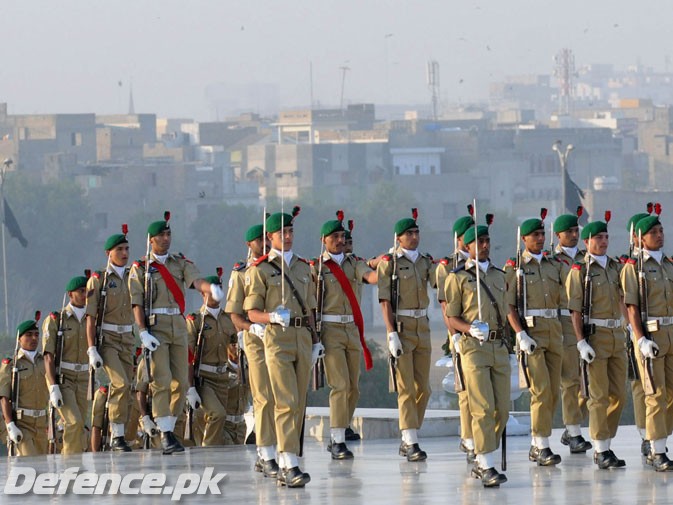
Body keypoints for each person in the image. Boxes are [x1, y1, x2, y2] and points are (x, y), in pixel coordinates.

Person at [129, 212, 224, 454]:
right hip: (156, 326)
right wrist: (142, 331)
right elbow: (136, 302)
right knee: (160, 380)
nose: (166, 239)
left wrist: (210, 288)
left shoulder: (179, 263)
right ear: (151, 240)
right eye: (161, 235)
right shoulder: (141, 268)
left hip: (178, 327)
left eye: (168, 234)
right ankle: (166, 432)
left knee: (180, 382)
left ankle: (168, 426)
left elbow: (195, 281)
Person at [243, 209, 322, 487]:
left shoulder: (303, 267)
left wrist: (315, 340)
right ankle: (289, 462)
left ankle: (289, 456)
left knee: (299, 403)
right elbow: (251, 312)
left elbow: (310, 307)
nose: (287, 237)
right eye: (281, 233)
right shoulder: (260, 270)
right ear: (270, 237)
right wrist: (270, 317)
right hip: (277, 338)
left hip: (301, 336)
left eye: (290, 232)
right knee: (285, 400)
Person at [446, 223, 509, 487]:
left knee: (502, 409)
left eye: (486, 240)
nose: (484, 245)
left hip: (498, 346)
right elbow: (451, 318)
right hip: (473, 348)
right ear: (467, 246)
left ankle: (484, 452)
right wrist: (469, 328)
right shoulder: (457, 278)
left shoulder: (499, 275)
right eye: (478, 241)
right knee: (482, 408)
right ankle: (485, 463)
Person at [505, 216, 567, 466]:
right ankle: (541, 444)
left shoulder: (554, 265)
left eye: (542, 235)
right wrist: (519, 333)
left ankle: (537, 440)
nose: (540, 239)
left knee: (553, 392)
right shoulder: (515, 267)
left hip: (554, 329)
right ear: (524, 239)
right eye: (535, 236)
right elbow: (508, 304)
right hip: (531, 332)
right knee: (540, 389)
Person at [314, 213, 377, 459]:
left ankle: (342, 427)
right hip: (329, 331)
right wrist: (313, 338)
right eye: (335, 237)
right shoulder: (316, 268)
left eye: (342, 236)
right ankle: (337, 438)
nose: (340, 241)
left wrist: (384, 267)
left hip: (351, 329)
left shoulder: (354, 263)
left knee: (353, 388)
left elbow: (370, 276)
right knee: (339, 385)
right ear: (324, 240)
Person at [566, 218, 627, 469]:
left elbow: (623, 298)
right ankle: (602, 449)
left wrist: (631, 327)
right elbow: (575, 310)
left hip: (616, 337)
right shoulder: (580, 270)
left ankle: (605, 441)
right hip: (595, 337)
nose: (603, 242)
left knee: (619, 395)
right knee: (598, 396)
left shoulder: (614, 267)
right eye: (598, 238)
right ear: (587, 241)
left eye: (605, 237)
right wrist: (581, 341)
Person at [377, 210, 437, 461]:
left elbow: (439, 283)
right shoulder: (389, 263)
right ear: (398, 238)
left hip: (422, 325)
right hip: (401, 327)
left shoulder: (425, 261)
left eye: (416, 232)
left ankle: (410, 431)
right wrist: (391, 332)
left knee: (424, 388)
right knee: (406, 388)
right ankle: (410, 438)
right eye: (408, 234)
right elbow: (384, 300)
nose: (414, 237)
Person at [225, 224, 279, 476]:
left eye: (267, 240)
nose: (265, 245)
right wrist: (251, 327)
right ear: (249, 245)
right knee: (262, 396)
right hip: (255, 340)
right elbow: (234, 315)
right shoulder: (241, 273)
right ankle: (263, 451)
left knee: (281, 396)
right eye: (259, 241)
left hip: (280, 340)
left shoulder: (279, 267)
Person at [621, 214, 673, 471]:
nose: (659, 235)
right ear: (640, 238)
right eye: (653, 232)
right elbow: (631, 307)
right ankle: (657, 449)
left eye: (661, 231)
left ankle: (658, 438)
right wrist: (640, 339)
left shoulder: (669, 264)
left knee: (671, 395)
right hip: (651, 336)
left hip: (671, 335)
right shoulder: (634, 267)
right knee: (655, 394)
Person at [85, 227, 136, 451]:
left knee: (128, 387)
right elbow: (90, 317)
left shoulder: (134, 277)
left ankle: (120, 433)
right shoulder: (99, 280)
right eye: (119, 249)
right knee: (120, 383)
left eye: (126, 249)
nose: (124, 253)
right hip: (108, 340)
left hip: (127, 338)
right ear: (108, 253)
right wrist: (91, 349)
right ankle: (116, 436)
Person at [436, 214, 475, 462]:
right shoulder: (446, 266)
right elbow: (445, 305)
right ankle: (468, 437)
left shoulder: (481, 263)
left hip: (480, 331)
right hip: (459, 330)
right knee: (464, 388)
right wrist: (455, 336)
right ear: (459, 239)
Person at [552, 213, 591, 454]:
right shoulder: (552, 261)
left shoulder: (587, 258)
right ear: (558, 235)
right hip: (565, 321)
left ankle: (572, 425)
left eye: (576, 231)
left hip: (588, 320)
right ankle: (574, 431)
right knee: (570, 380)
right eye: (569, 232)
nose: (575, 235)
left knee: (589, 380)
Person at [187, 272, 239, 446]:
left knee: (213, 421)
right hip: (203, 379)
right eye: (210, 291)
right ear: (203, 293)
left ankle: (207, 457)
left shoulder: (228, 320)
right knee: (218, 414)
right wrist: (190, 388)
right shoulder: (196, 321)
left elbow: (234, 347)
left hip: (222, 378)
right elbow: (188, 356)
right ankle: (208, 453)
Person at [43, 275, 90, 455]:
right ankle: (71, 467)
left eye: (87, 291)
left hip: (84, 379)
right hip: (64, 379)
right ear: (70, 294)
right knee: (73, 421)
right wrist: (53, 386)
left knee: (79, 427)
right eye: (81, 291)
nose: (85, 294)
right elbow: (48, 356)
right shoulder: (57, 320)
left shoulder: (91, 319)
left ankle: (72, 463)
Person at [0, 317, 49, 456]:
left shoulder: (45, 362)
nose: (34, 338)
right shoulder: (11, 365)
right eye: (28, 335)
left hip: (41, 424)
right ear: (19, 339)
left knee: (43, 468)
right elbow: (4, 398)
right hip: (22, 424)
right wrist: (10, 425)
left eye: (36, 334)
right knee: (30, 464)